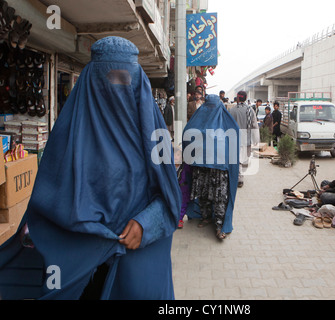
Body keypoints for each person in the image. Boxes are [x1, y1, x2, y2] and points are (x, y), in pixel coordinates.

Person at [0, 36, 182, 300]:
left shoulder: (155, 138)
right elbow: (47, 204)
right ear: (91, 83)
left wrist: (146, 224)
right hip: (77, 275)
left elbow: (170, 198)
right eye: (108, 80)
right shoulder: (68, 138)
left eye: (124, 80)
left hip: (134, 271)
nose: (116, 89)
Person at [183, 94, 240, 240]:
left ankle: (220, 224)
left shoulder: (227, 123)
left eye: (213, 107)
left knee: (220, 195)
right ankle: (206, 217)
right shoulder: (198, 120)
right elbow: (187, 134)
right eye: (208, 107)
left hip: (219, 168)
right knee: (202, 192)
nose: (210, 110)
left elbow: (234, 137)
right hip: (201, 165)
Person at [229, 91, 259, 188]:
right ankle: (240, 178)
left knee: (236, 159)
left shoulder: (232, 110)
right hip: (246, 139)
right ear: (245, 98)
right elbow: (254, 125)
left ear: (237, 98)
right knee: (243, 159)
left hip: (234, 139)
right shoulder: (250, 110)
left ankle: (237, 177)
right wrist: (256, 139)